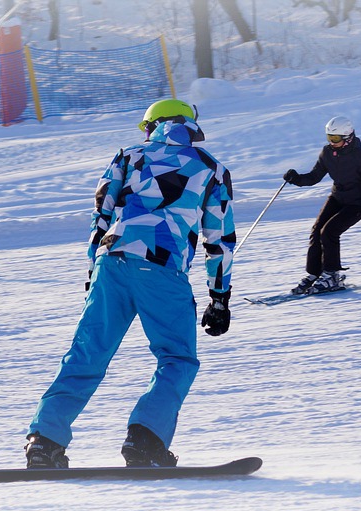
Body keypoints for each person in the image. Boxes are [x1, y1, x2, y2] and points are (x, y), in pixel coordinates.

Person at [24, 99, 235, 468]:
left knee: (88, 352)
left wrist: (94, 273)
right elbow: (219, 240)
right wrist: (219, 298)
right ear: (190, 125)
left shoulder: (128, 155)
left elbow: (101, 215)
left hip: (113, 263)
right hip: (162, 269)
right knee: (177, 357)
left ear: (152, 126)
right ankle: (145, 440)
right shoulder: (211, 168)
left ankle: (44, 441)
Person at [282, 116, 361, 294]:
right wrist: (296, 179)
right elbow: (313, 177)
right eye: (329, 138)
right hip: (338, 197)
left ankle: (332, 275)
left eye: (335, 139)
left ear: (348, 137)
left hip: (357, 203)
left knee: (329, 232)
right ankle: (314, 274)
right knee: (316, 230)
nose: (331, 142)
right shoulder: (327, 153)